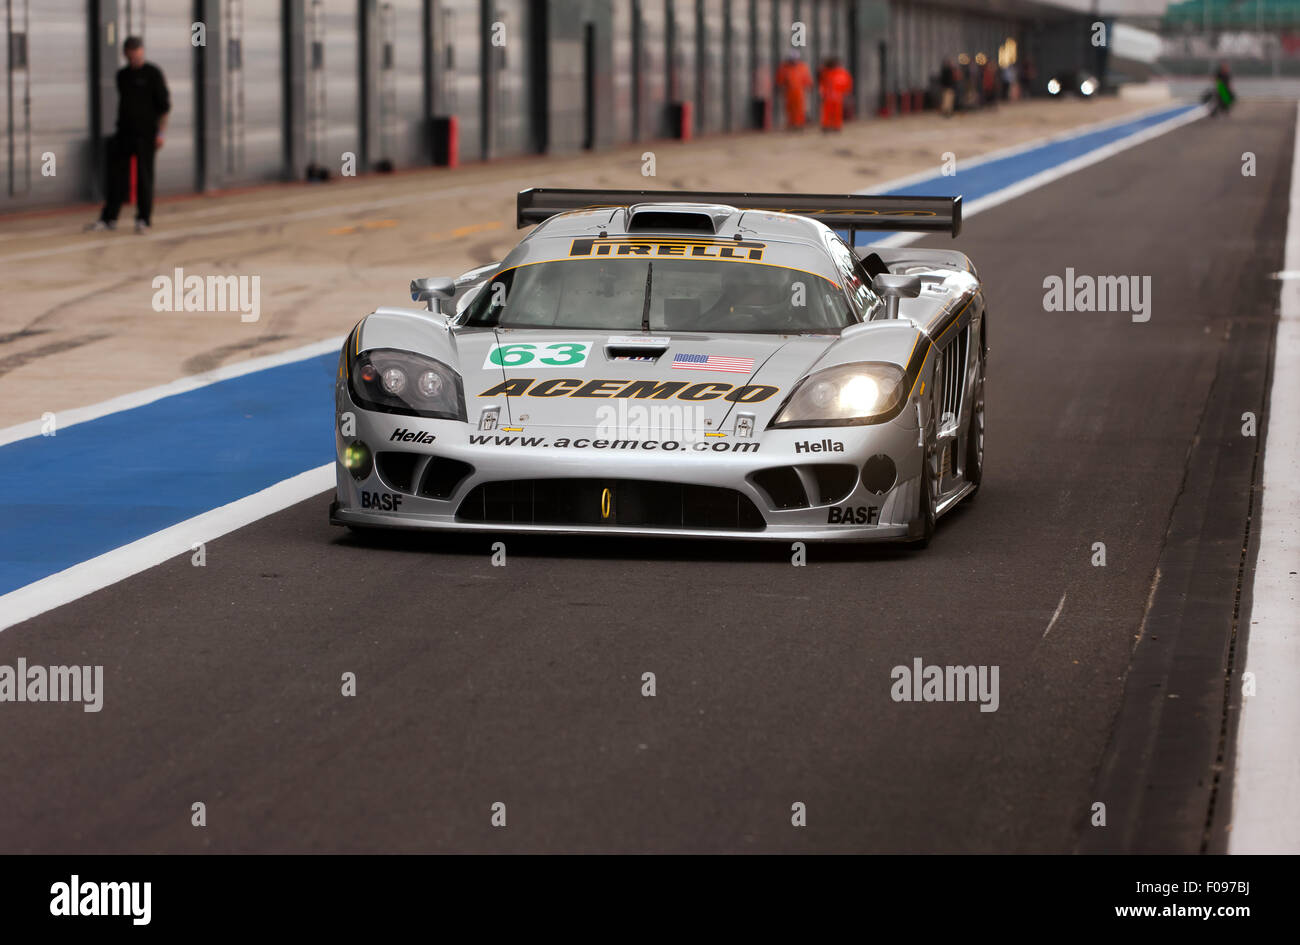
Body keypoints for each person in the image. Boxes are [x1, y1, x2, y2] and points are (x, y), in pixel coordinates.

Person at [88, 36, 170, 233]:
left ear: (142, 52)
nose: (134, 58)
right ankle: (109, 219)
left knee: (144, 178)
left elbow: (164, 107)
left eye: (137, 54)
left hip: (146, 135)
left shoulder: (153, 74)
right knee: (115, 177)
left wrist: (160, 133)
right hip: (124, 133)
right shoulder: (122, 76)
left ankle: (143, 219)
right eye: (131, 55)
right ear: (125, 54)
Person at [775, 51, 813, 130]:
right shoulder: (784, 68)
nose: (794, 61)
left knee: (800, 108)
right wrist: (781, 88)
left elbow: (807, 79)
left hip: (800, 91)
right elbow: (780, 80)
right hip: (788, 91)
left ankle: (799, 124)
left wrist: (809, 87)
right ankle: (791, 124)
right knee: (790, 109)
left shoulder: (803, 67)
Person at [818, 58, 853, 132]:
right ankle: (826, 126)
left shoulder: (842, 73)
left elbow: (847, 83)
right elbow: (821, 83)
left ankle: (836, 126)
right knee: (827, 113)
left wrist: (846, 92)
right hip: (828, 96)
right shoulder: (825, 72)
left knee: (837, 112)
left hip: (838, 96)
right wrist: (822, 92)